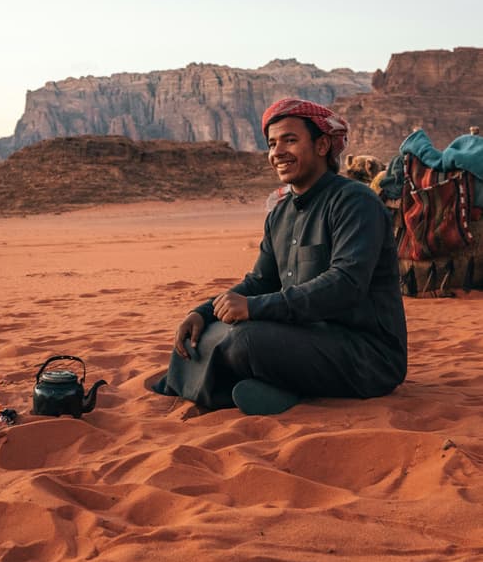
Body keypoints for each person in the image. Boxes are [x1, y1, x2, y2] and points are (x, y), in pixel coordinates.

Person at [154, 98, 407, 415]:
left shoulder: (355, 202)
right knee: (205, 333)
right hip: (307, 337)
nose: (277, 153)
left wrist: (253, 308)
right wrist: (202, 312)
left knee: (244, 341)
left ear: (322, 145)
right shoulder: (280, 214)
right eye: (273, 144)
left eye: (290, 140)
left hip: (367, 354)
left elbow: (345, 284)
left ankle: (238, 389)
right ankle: (268, 387)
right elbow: (261, 281)